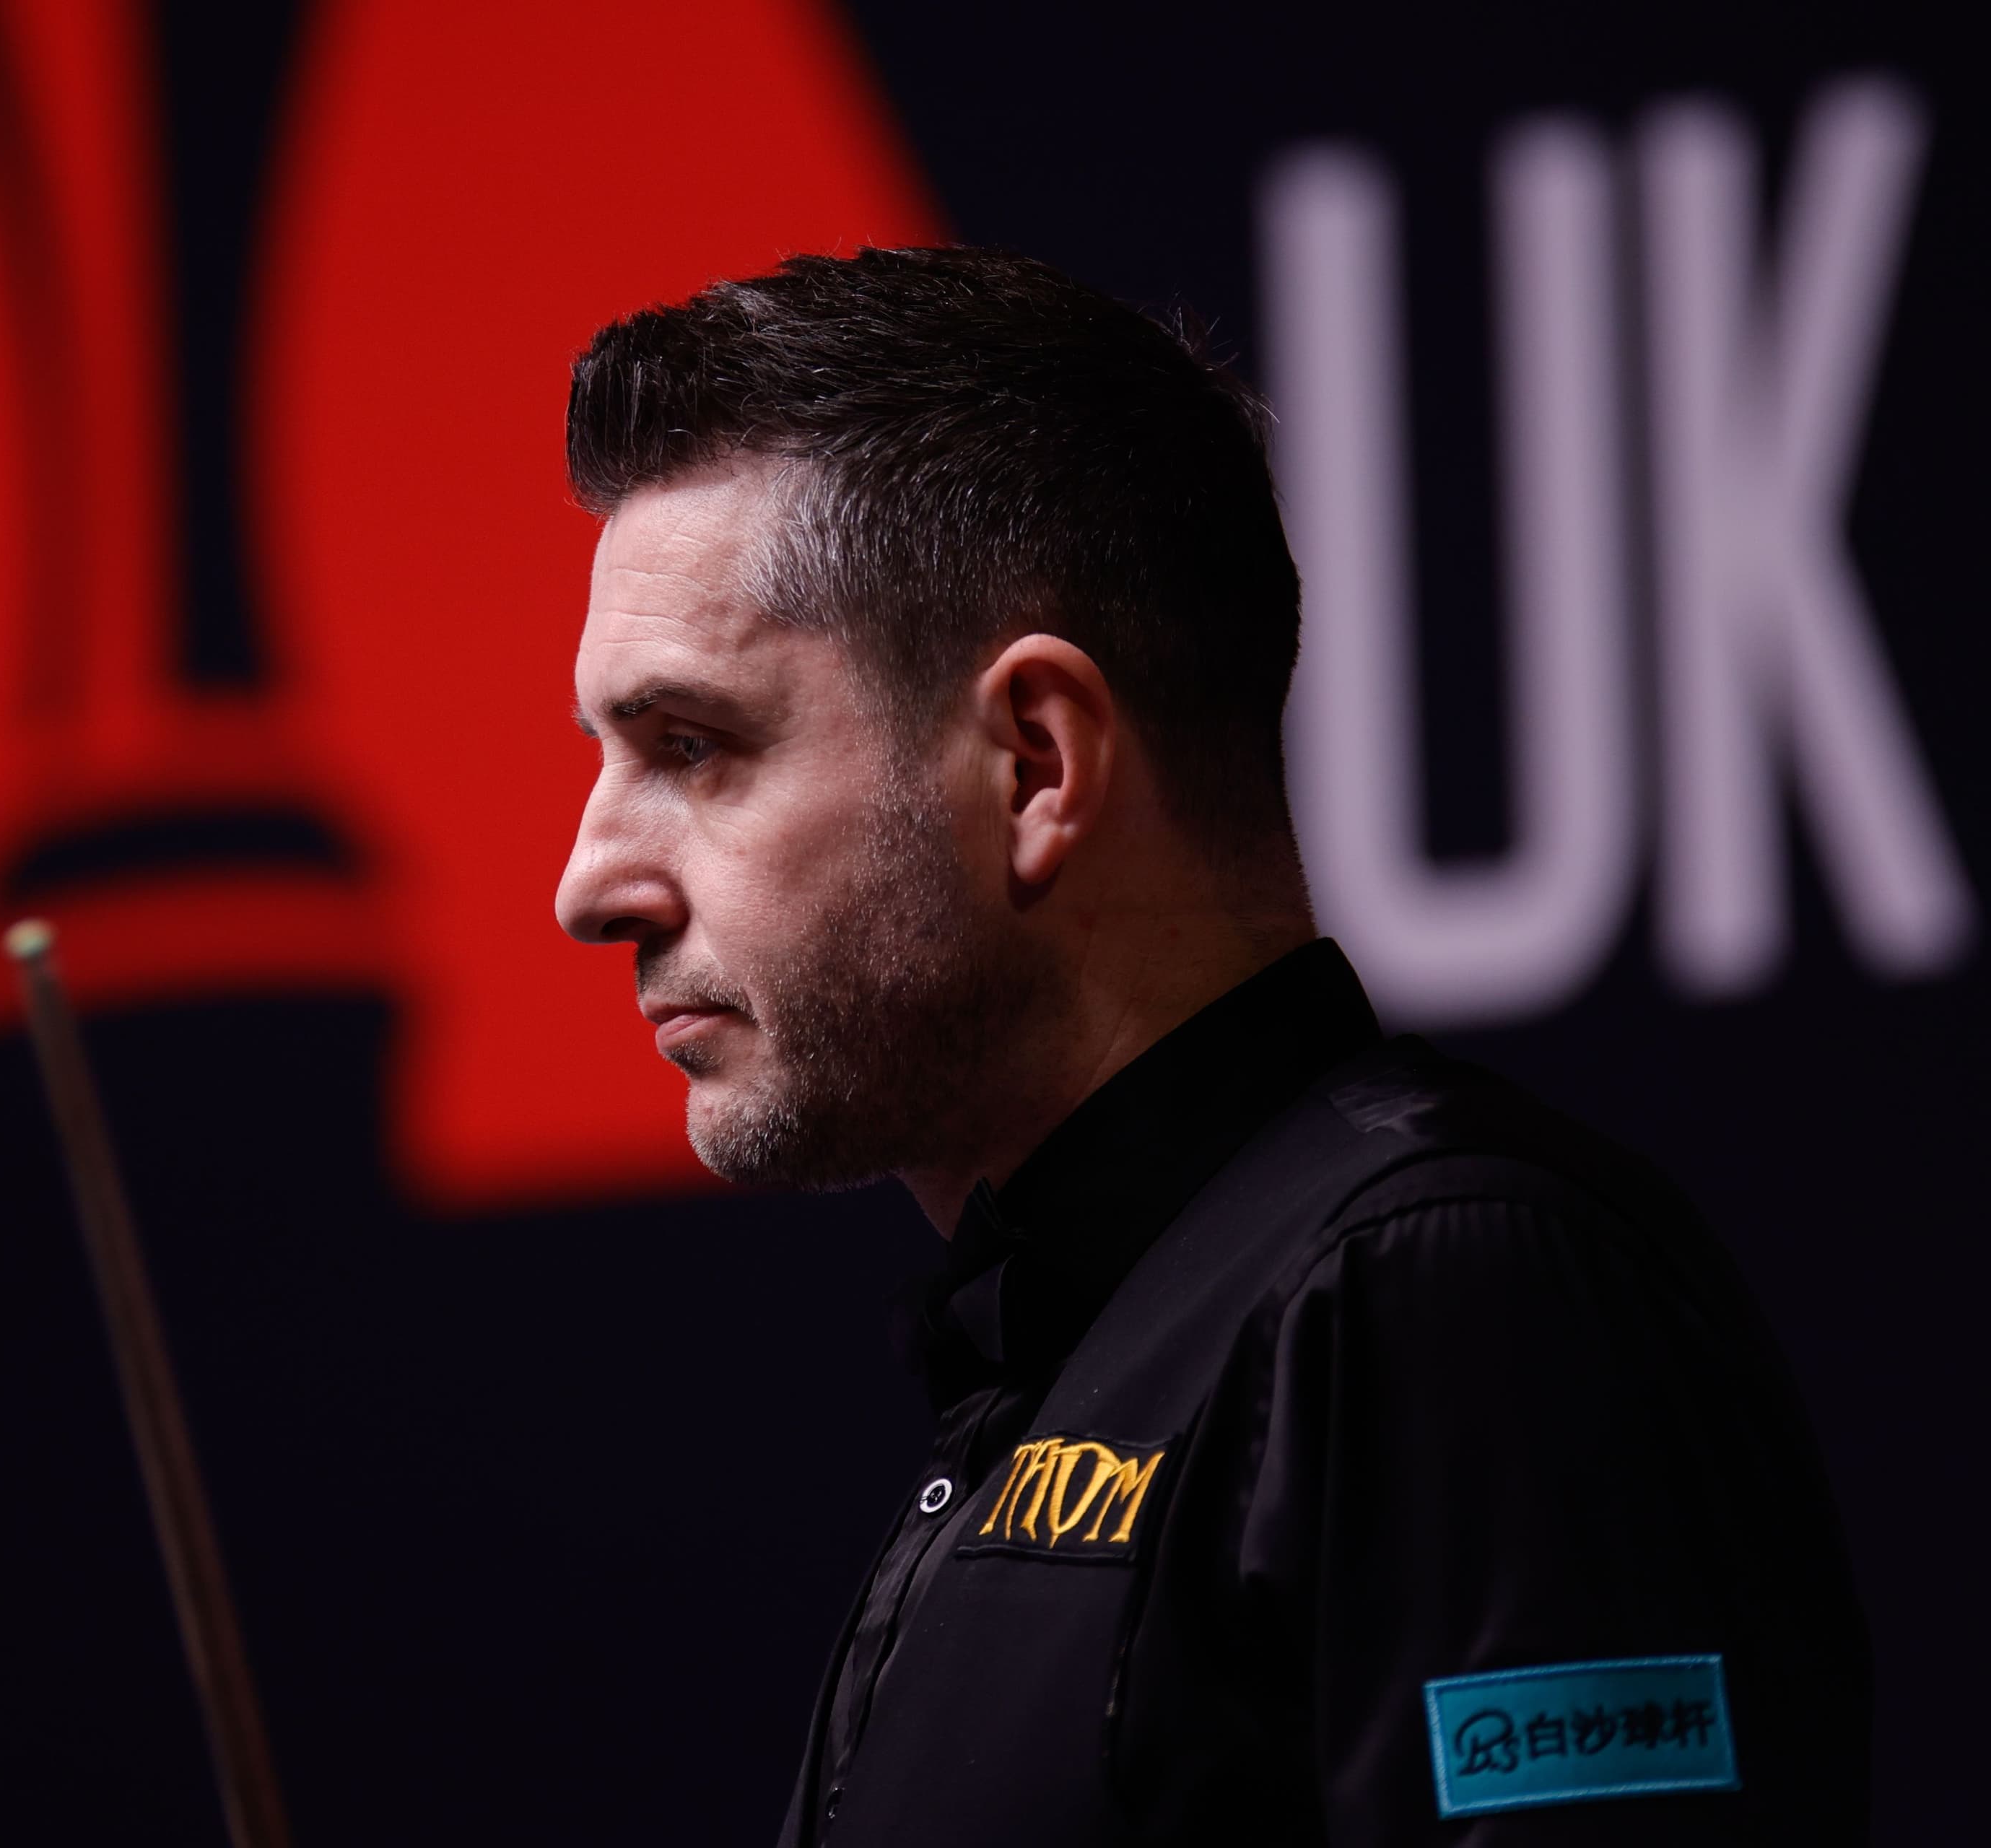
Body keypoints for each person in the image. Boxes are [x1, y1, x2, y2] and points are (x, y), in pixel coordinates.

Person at [550, 248, 1867, 1844]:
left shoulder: (1436, 1285)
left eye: (693, 745)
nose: (588, 884)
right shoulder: (1072, 1349)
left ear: (1037, 764)